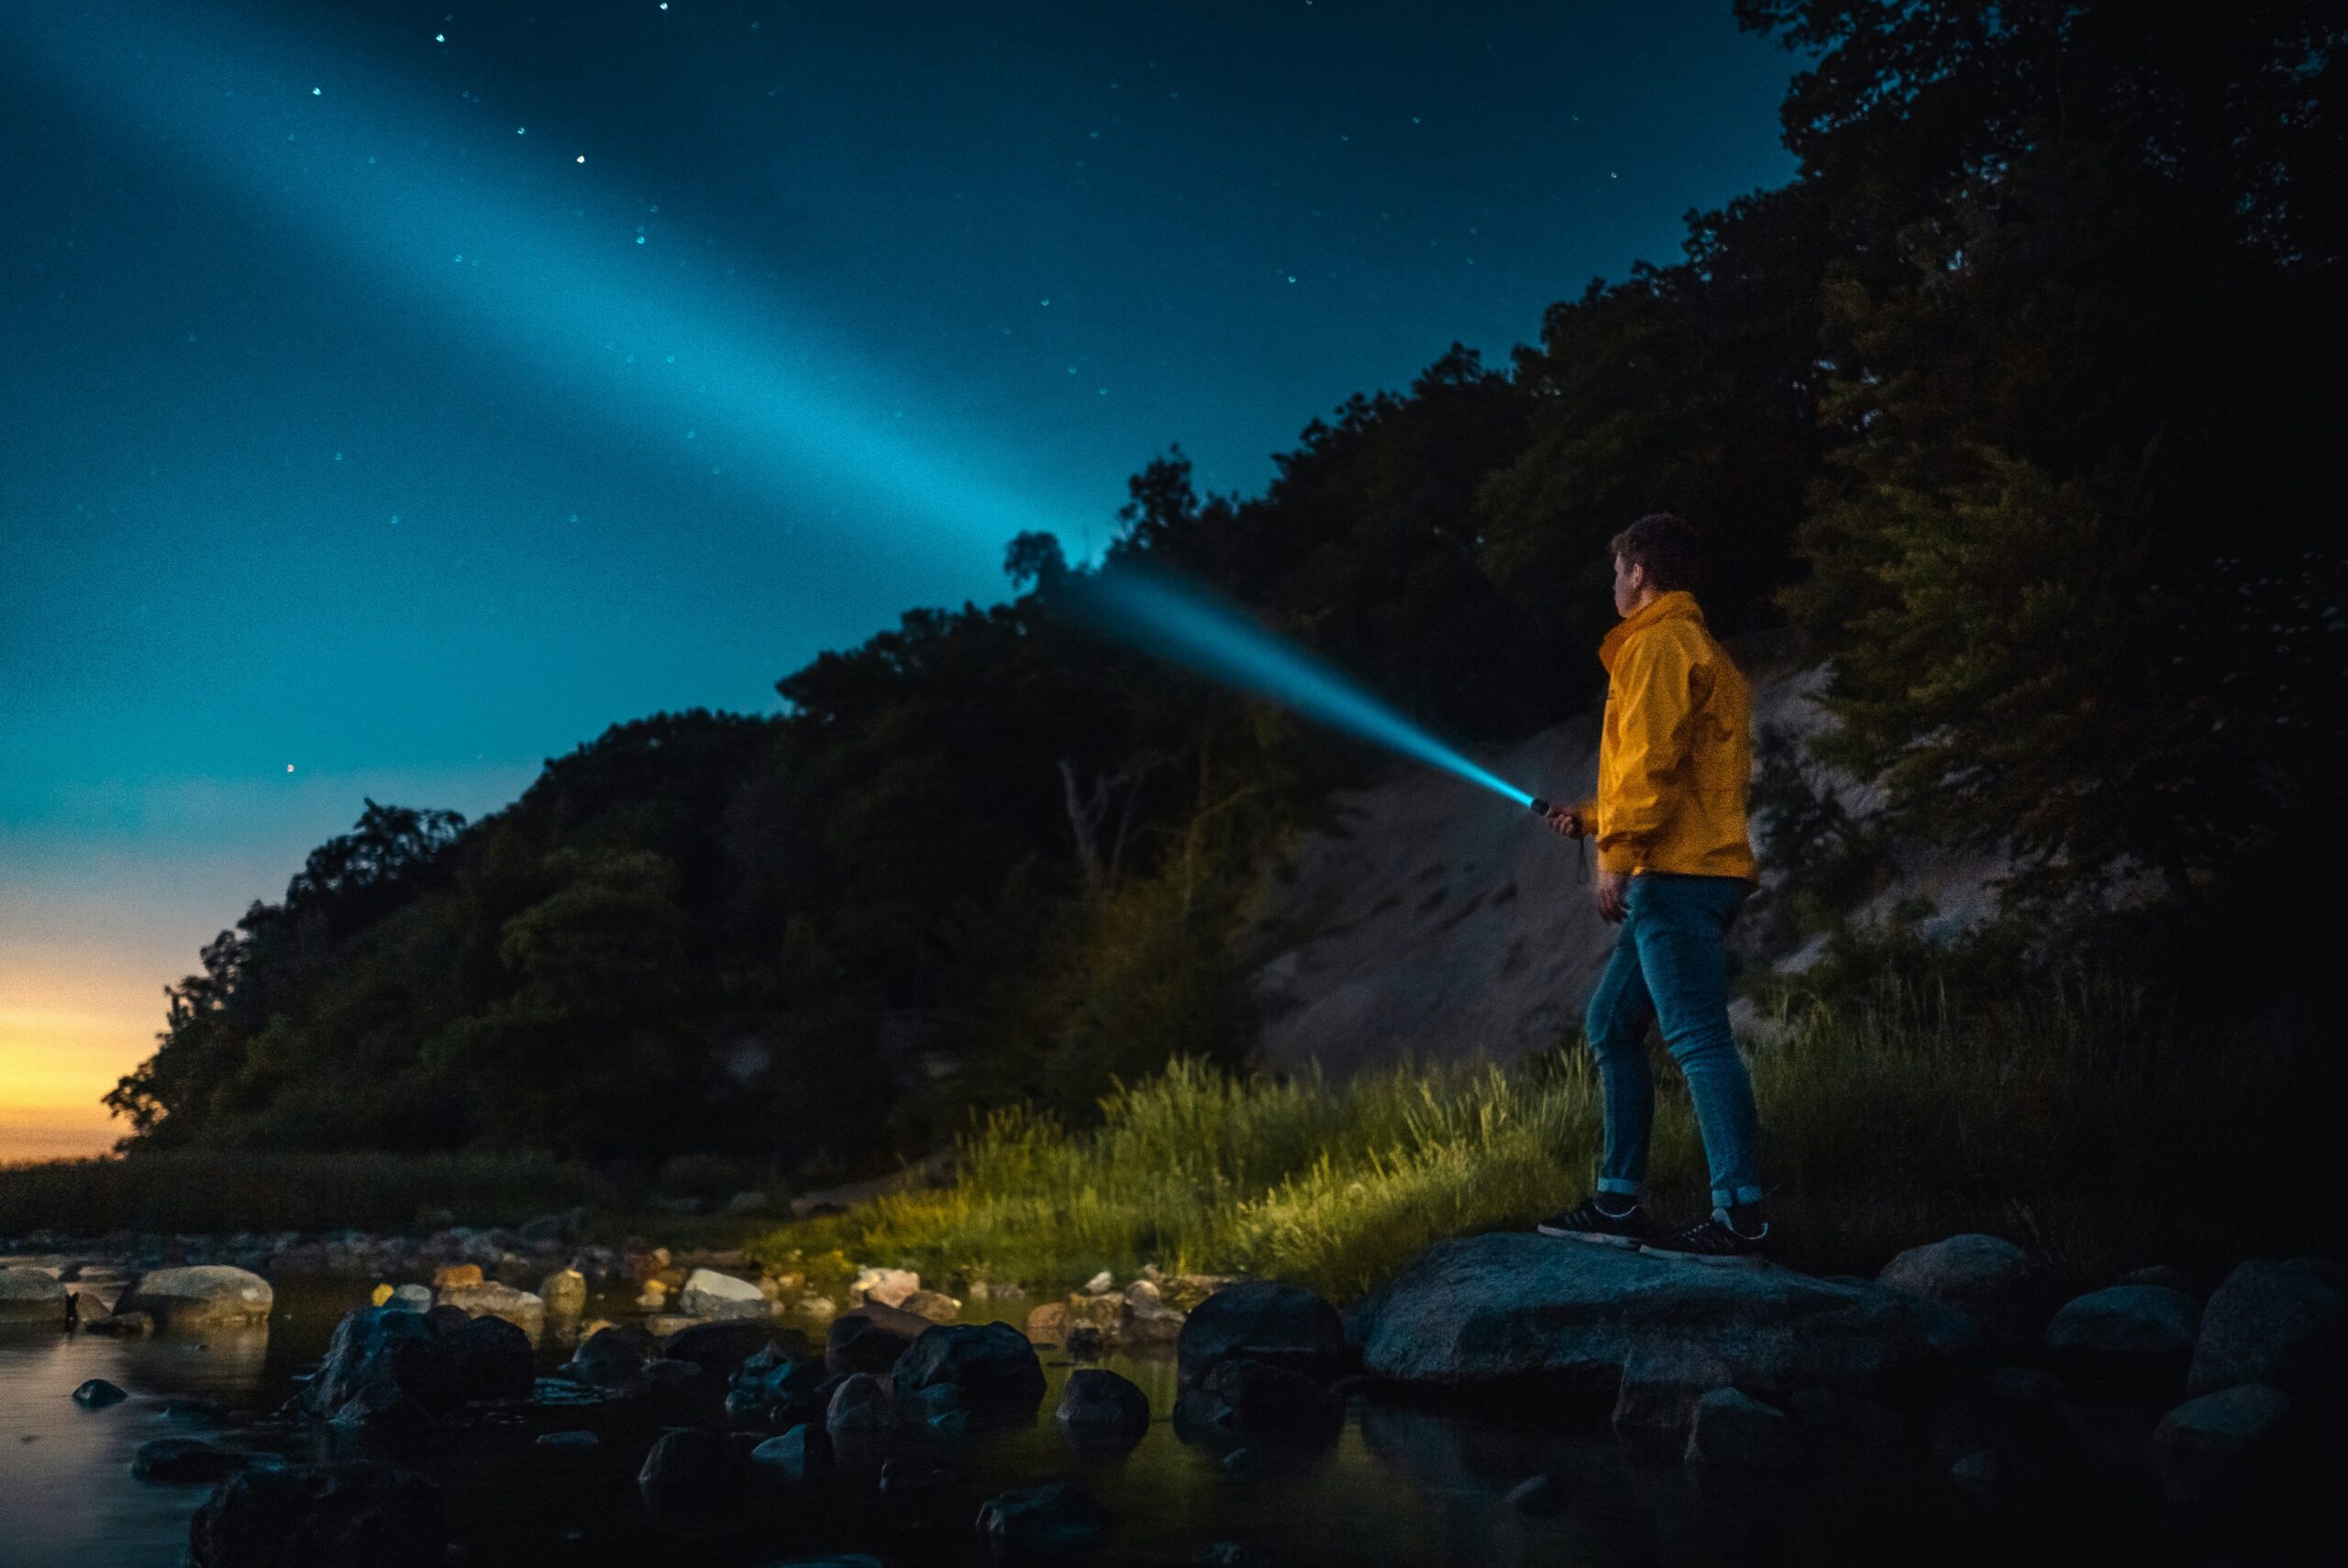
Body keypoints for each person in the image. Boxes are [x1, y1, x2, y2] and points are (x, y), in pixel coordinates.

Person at [1533, 513, 1770, 1263]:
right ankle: (1618, 1201)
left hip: (1677, 877)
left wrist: (1616, 853)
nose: (1613, 583)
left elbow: (1652, 763)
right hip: (1685, 866)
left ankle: (1741, 1218)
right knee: (1610, 1024)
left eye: (1616, 571)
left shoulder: (1660, 644)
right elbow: (1680, 772)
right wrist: (1596, 817)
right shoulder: (1700, 649)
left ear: (1639, 572)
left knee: (1698, 1037)